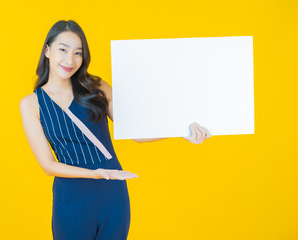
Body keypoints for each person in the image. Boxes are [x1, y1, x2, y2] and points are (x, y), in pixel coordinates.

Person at [19, 19, 211, 240]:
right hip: (71, 198)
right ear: (47, 50)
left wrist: (182, 132)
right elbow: (48, 166)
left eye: (78, 53)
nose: (70, 59)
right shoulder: (31, 104)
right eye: (63, 50)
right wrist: (96, 174)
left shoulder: (97, 88)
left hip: (112, 194)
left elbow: (135, 132)